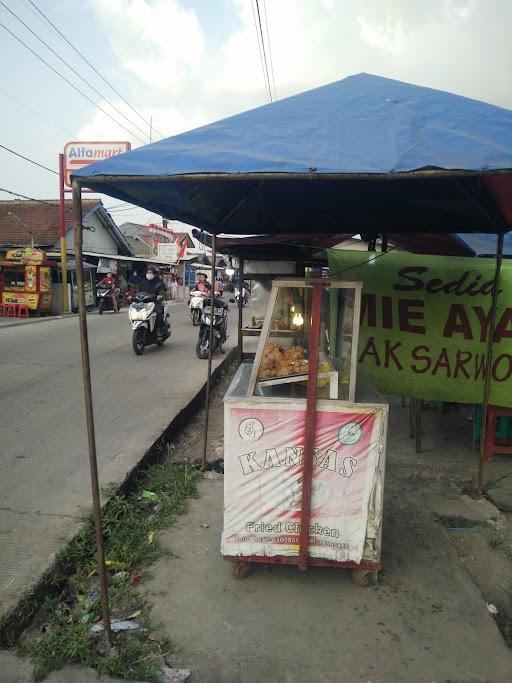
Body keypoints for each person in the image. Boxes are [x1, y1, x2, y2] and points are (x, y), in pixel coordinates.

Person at [138, 267, 167, 338]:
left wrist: (160, 295)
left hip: (155, 302)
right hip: (144, 302)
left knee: (157, 314)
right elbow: (139, 291)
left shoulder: (158, 282)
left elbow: (162, 290)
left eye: (150, 273)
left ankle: (158, 330)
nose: (149, 274)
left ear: (154, 274)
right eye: (148, 273)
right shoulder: (143, 282)